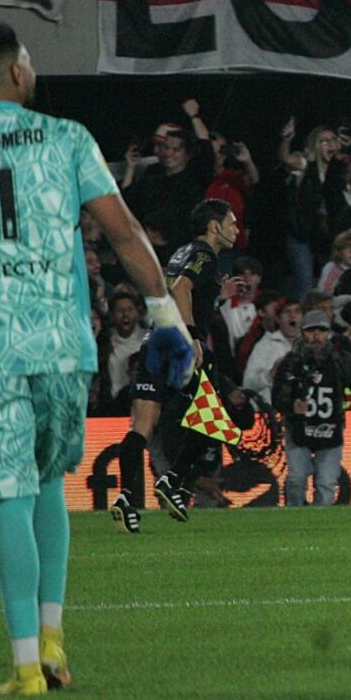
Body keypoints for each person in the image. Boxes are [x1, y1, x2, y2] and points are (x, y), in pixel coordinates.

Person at [0, 24, 195, 694]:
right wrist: (166, 316)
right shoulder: (66, 138)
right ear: (19, 74)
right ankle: (55, 644)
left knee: (11, 500)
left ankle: (27, 665)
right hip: (61, 344)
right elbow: (122, 230)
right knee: (51, 484)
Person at [113, 197, 245, 531]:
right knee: (213, 418)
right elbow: (182, 288)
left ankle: (127, 500)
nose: (236, 229)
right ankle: (172, 481)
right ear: (214, 227)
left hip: (155, 340)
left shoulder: (182, 252)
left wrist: (217, 294)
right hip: (179, 345)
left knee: (142, 425)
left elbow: (179, 288)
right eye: (231, 223)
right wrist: (191, 336)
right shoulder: (204, 254)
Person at [272, 310, 351, 506]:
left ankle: (318, 526)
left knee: (326, 484)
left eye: (321, 331)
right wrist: (291, 406)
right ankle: (294, 521)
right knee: (296, 479)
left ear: (328, 333)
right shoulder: (292, 362)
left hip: (330, 431)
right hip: (298, 430)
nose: (316, 336)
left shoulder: (340, 360)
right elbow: (277, 396)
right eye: (311, 331)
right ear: (303, 333)